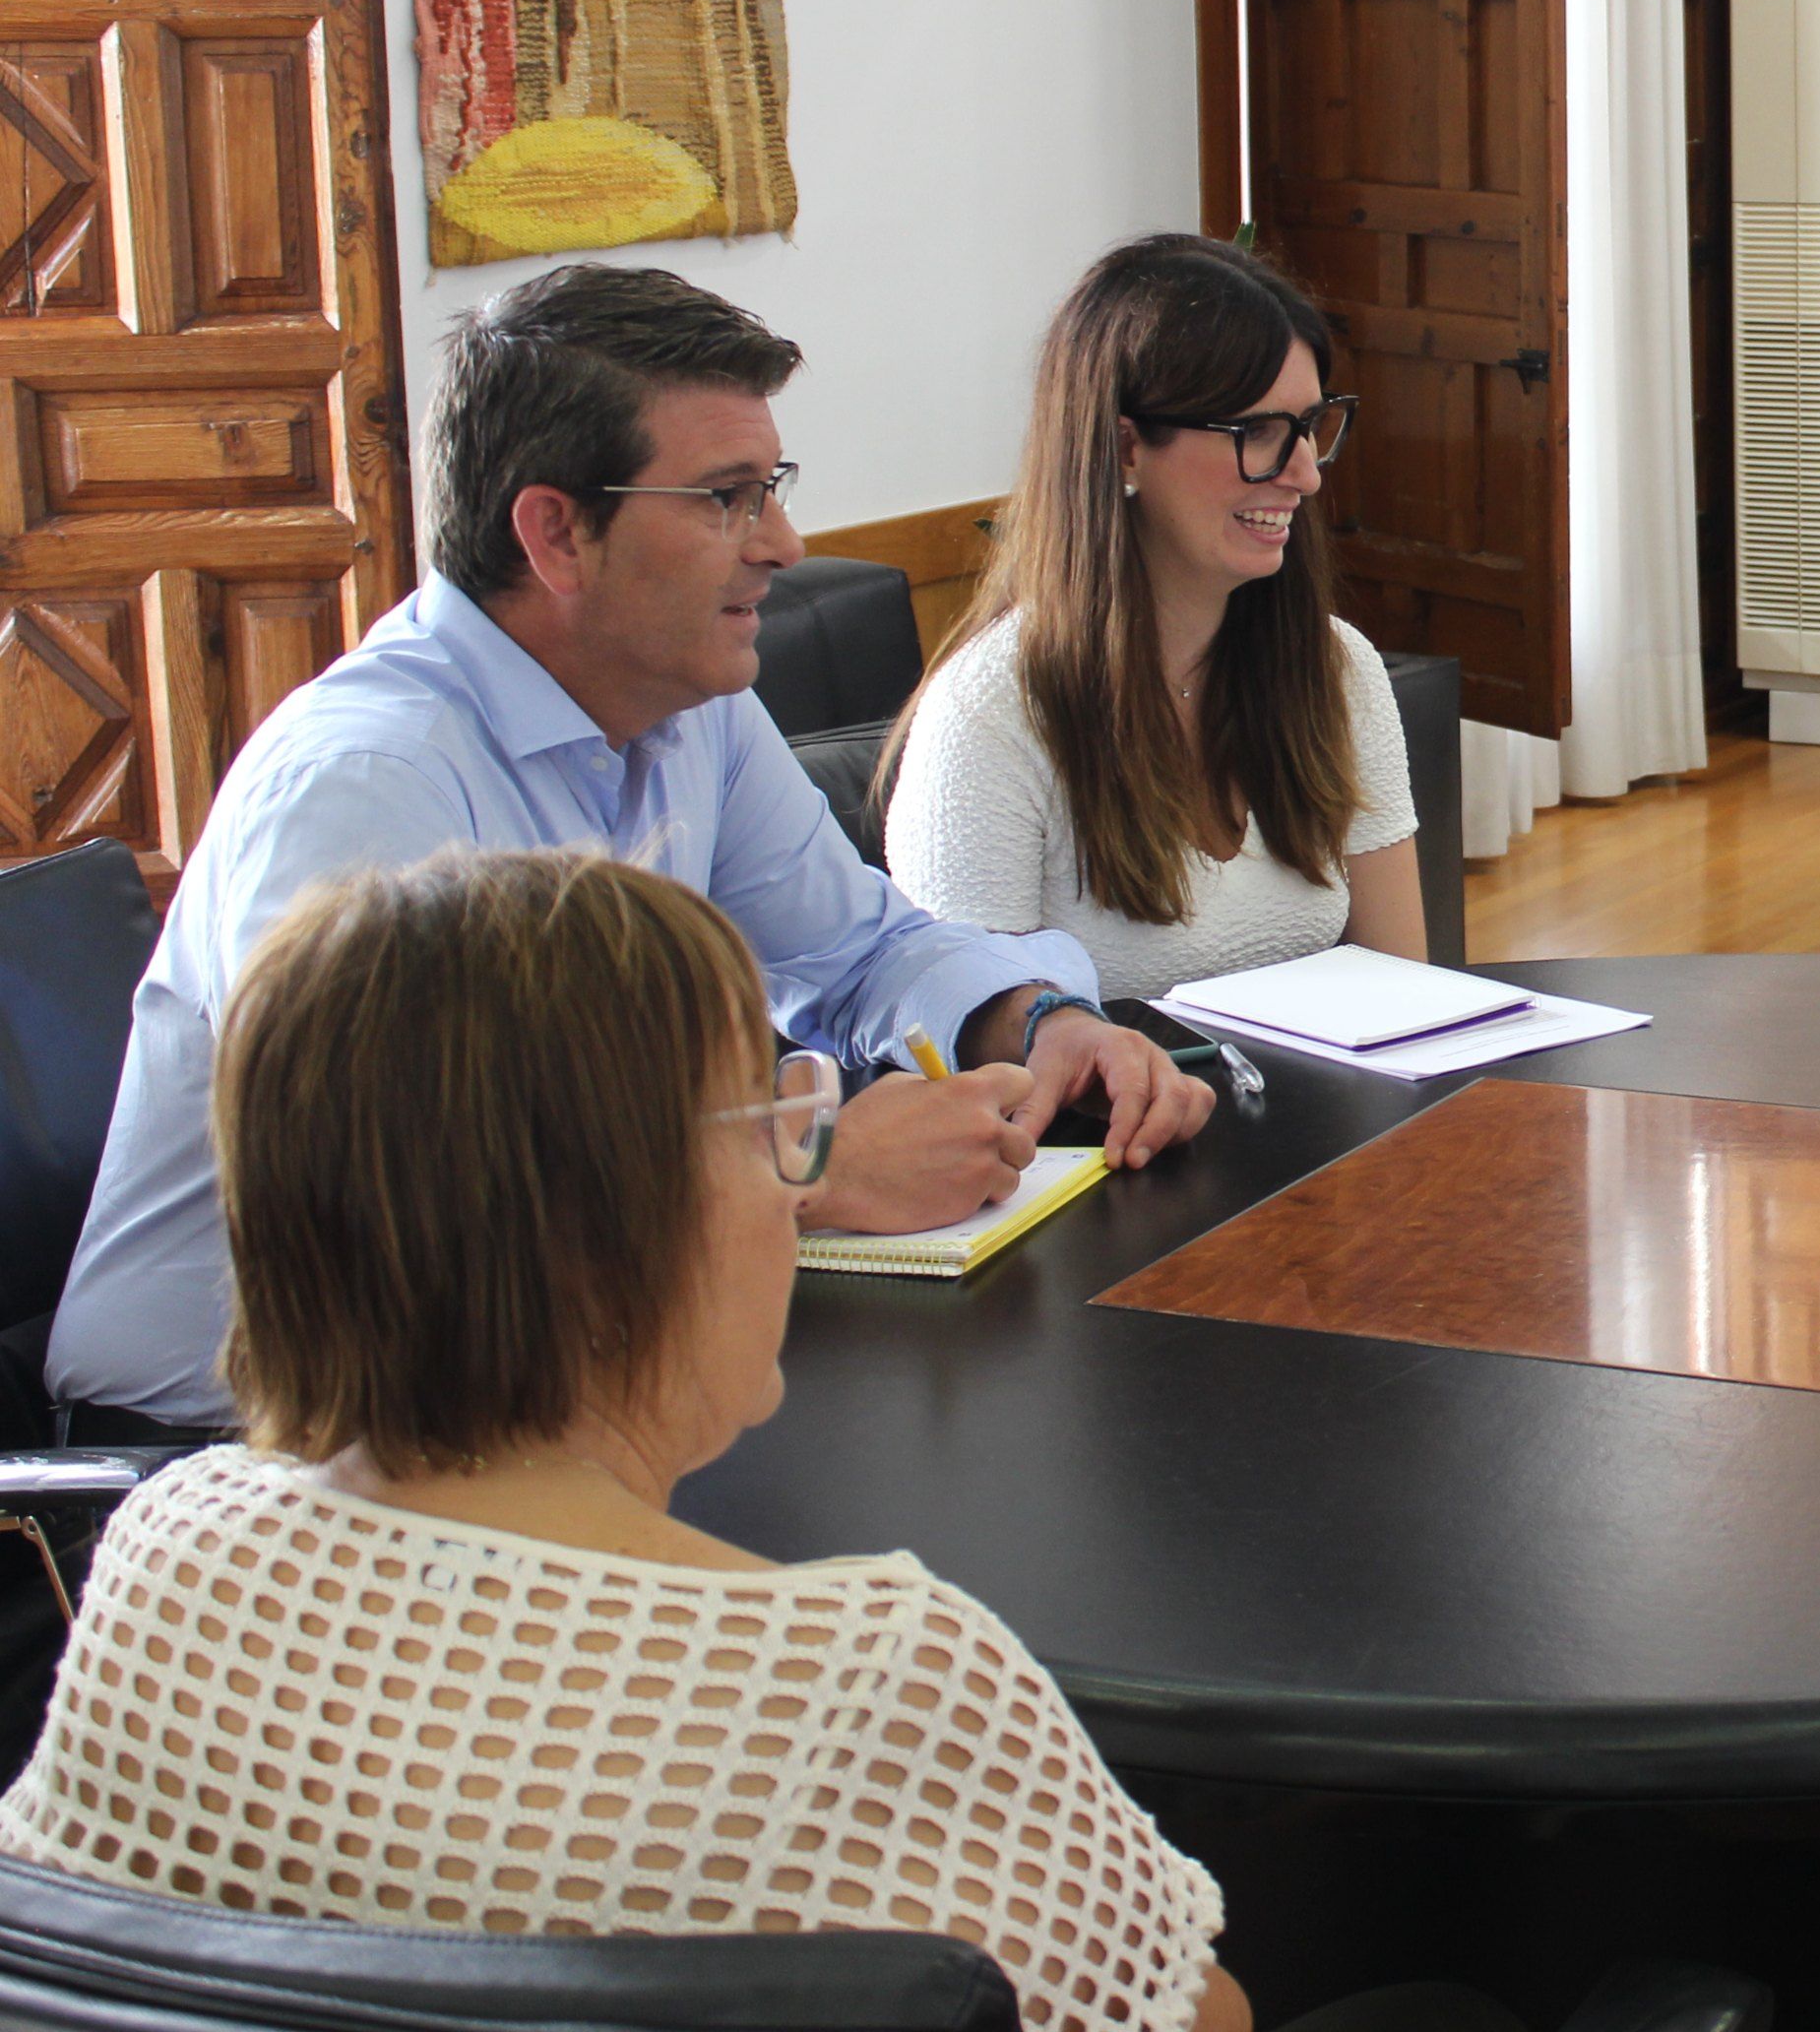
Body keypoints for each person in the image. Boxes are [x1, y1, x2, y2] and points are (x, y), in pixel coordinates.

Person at [0, 850, 1248, 2032]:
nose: (799, 1187)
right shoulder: (876, 1676)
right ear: (611, 1240)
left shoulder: (161, 1564)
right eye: (777, 1125)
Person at [48, 267, 1215, 1441]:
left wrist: (1036, 1021)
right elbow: (412, 1207)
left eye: (772, 489)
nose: (783, 542)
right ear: (556, 531)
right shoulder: (366, 784)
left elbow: (856, 948)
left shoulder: (682, 699)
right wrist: (803, 1167)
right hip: (246, 1442)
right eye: (725, 498)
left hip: (546, 1368)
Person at [885, 237, 1423, 997]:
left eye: (1311, 425)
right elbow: (972, 1047)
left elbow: (1410, 993)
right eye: (1258, 434)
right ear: (1125, 446)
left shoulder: (1337, 667)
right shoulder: (988, 715)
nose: (1304, 474)